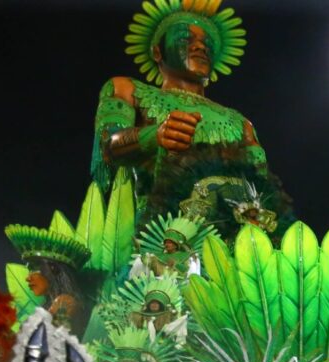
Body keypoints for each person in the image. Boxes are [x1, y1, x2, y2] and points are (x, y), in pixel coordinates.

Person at [92, 0, 293, 236]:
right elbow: (108, 147)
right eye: (186, 38)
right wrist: (154, 136)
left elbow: (264, 190)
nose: (200, 47)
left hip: (235, 239)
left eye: (206, 43)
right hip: (161, 238)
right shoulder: (126, 89)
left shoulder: (241, 123)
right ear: (158, 51)